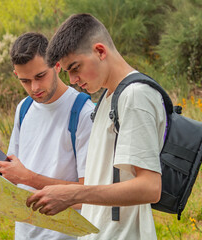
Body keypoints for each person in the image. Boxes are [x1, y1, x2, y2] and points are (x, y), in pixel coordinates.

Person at [26, 14, 166, 240]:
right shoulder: (108, 98)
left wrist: (74, 194)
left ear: (100, 51)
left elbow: (150, 187)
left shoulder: (135, 96)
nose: (72, 80)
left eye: (75, 67)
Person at [0, 32, 94, 240]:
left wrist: (27, 177)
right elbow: (15, 177)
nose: (34, 88)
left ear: (56, 65)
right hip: (25, 233)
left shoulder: (84, 113)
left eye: (40, 76)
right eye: (25, 81)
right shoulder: (24, 107)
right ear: (15, 75)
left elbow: (91, 194)